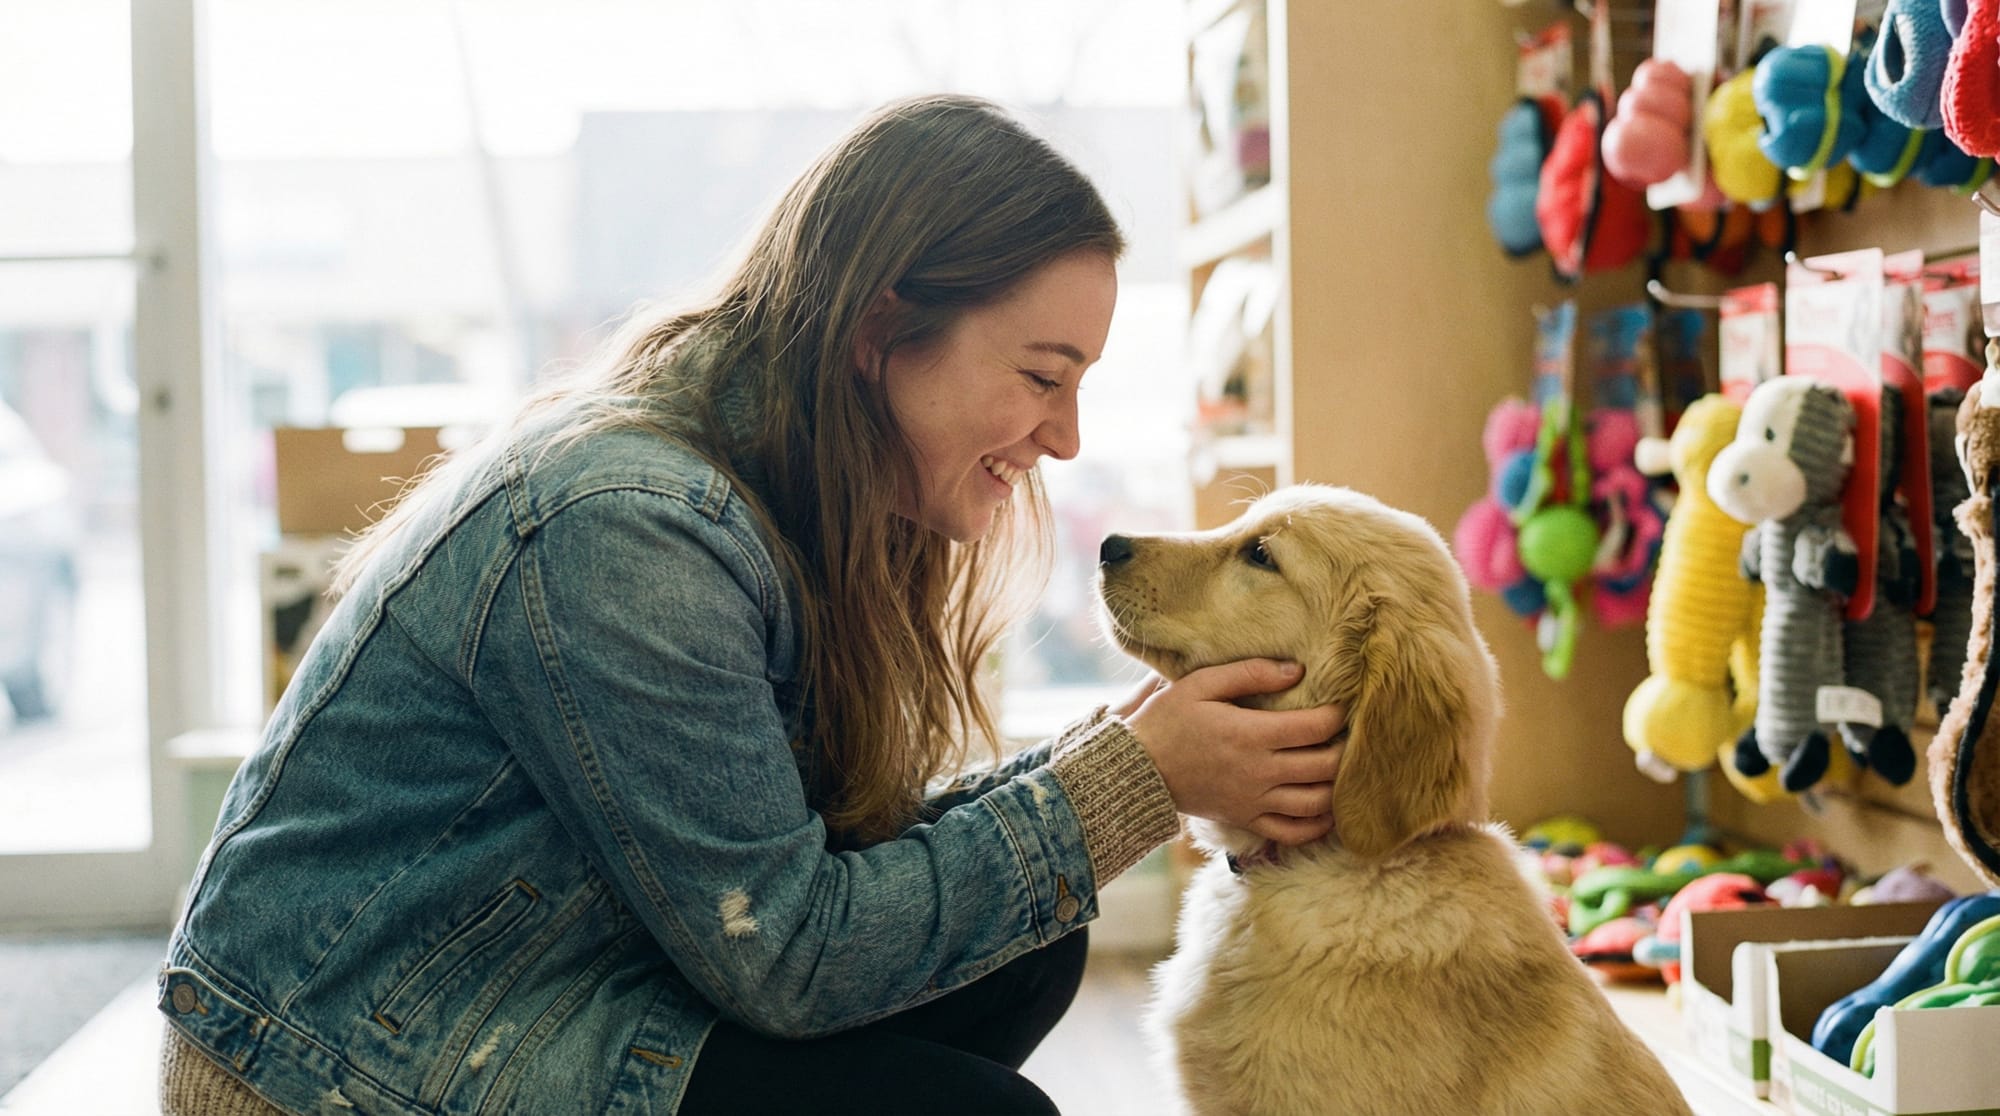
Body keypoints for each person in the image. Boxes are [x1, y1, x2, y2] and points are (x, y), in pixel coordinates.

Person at [157, 95, 1344, 1116]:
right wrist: (1136, 781)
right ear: (882, 329)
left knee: (1033, 945)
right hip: (327, 1068)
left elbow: (811, 861)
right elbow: (788, 950)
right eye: (1041, 377)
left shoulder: (801, 485)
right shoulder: (628, 527)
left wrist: (1124, 756)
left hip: (532, 979)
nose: (1067, 437)